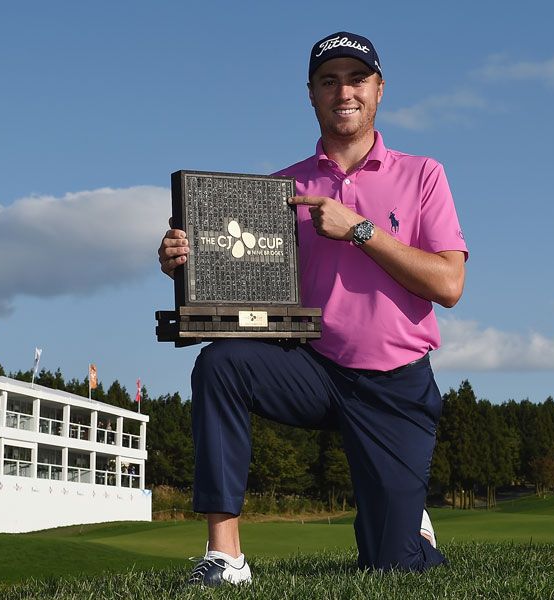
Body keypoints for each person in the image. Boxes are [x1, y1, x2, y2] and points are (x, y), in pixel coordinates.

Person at [158, 31, 468, 586]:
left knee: (391, 565)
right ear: (311, 94)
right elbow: (243, 286)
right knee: (220, 365)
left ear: (378, 90)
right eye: (329, 81)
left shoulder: (423, 174)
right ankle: (225, 558)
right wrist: (187, 262)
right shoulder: (281, 187)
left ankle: (408, 523)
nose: (343, 92)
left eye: (356, 79)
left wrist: (360, 230)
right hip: (313, 370)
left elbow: (448, 284)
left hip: (395, 384)